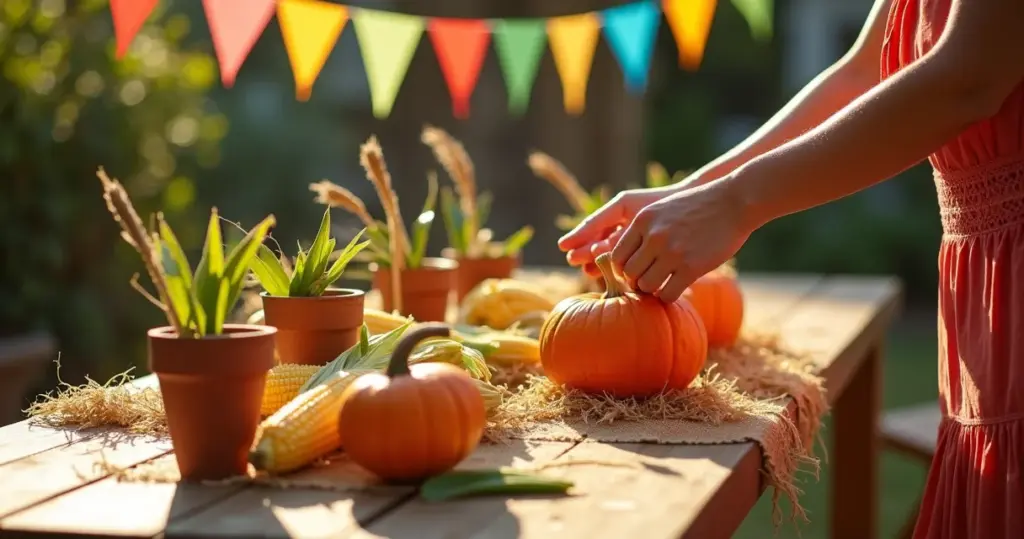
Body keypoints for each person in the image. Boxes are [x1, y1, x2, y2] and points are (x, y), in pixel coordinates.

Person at [557, 0, 1024, 537]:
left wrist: (734, 205)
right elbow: (864, 72)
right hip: (985, 279)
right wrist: (699, 192)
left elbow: (968, 78)